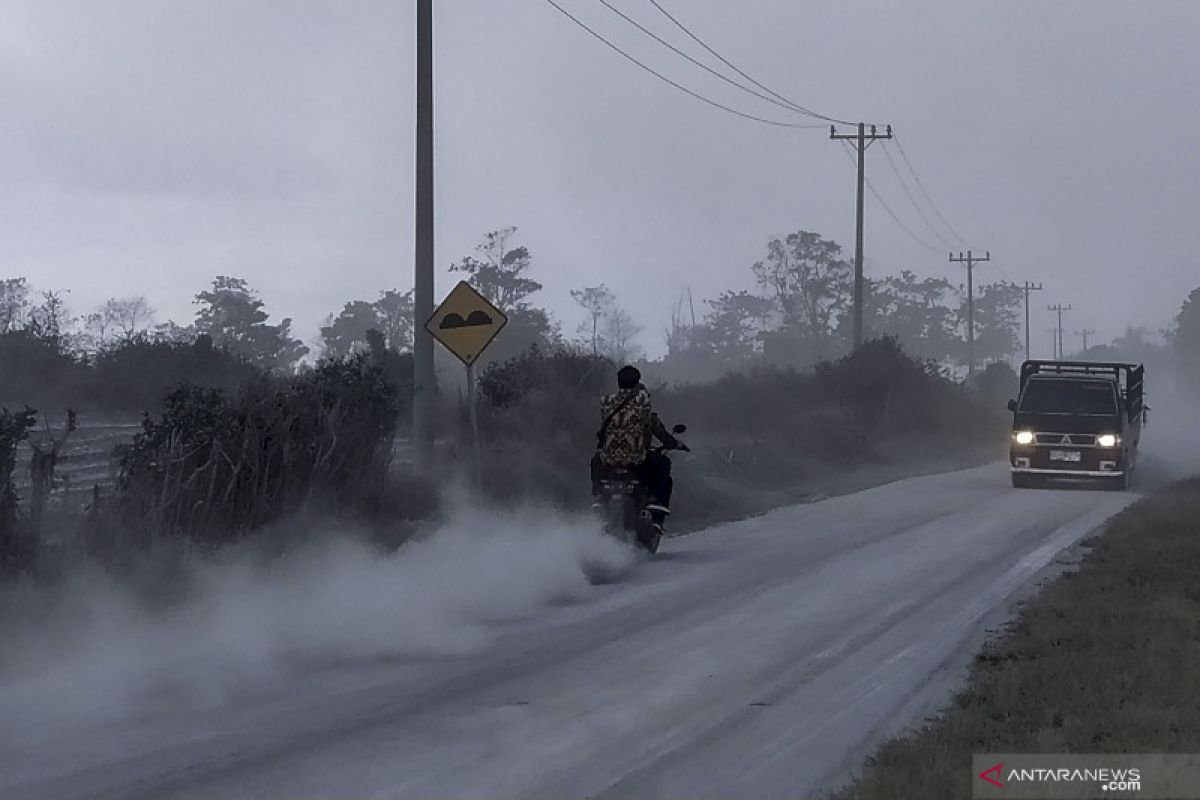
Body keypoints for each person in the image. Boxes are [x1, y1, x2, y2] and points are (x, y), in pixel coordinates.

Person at [590, 365, 682, 529]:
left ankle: (598, 498)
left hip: (608, 461)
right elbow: (653, 428)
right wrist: (672, 443)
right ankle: (656, 515)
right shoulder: (643, 402)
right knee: (664, 465)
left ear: (618, 382)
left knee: (595, 459)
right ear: (637, 382)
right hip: (636, 461)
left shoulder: (606, 401)